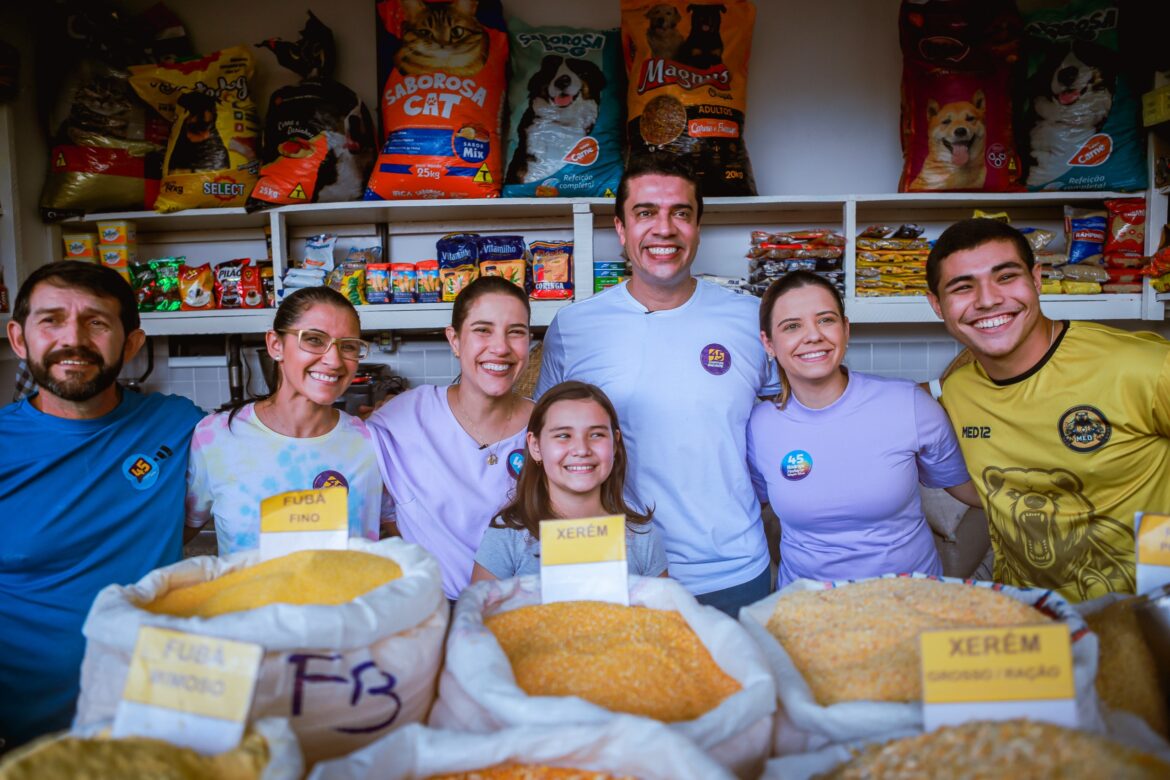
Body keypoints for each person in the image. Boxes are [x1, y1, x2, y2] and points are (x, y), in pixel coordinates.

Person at [537, 155, 775, 616]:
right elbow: (546, 446)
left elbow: (785, 424)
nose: (664, 229)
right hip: (612, 567)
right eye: (646, 213)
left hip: (731, 570)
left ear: (698, 227)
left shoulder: (752, 319)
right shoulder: (574, 326)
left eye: (680, 213)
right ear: (622, 229)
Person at [0, 261, 204, 748]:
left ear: (131, 343)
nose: (74, 339)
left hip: (156, 720)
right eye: (51, 320)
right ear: (18, 338)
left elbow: (264, 446)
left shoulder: (178, 424)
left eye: (97, 322)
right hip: (24, 738)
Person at [926, 217, 1170, 603]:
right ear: (937, 305)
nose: (987, 299)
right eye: (962, 287)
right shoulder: (959, 393)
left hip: (1145, 618)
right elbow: (989, 487)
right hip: (1032, 620)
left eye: (1005, 277)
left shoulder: (1143, 367)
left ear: (1036, 279)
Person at [747, 271, 979, 589]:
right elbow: (744, 505)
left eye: (826, 320)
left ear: (845, 329)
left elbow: (969, 489)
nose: (813, 335)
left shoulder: (907, 403)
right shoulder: (760, 425)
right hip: (808, 609)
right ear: (768, 343)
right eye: (792, 326)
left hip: (911, 601)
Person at [367, 275, 534, 600]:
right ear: (454, 340)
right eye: (482, 330)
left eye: (516, 332)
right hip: (433, 612)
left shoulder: (549, 426)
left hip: (529, 611)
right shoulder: (402, 418)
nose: (500, 347)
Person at [185, 286, 385, 555]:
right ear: (275, 345)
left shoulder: (372, 443)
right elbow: (177, 533)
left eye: (348, 346)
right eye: (314, 340)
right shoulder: (217, 436)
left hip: (355, 598)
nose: (334, 360)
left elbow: (416, 528)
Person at [471, 381, 668, 582]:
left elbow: (662, 611)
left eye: (596, 434)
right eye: (563, 435)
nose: (582, 450)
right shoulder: (508, 536)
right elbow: (480, 609)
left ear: (615, 443)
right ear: (536, 445)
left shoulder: (642, 536)